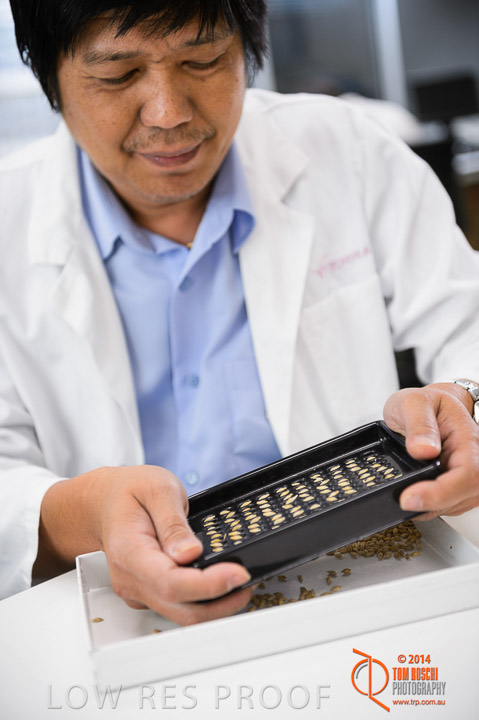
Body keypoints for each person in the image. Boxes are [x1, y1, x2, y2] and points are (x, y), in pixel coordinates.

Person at [1, 0, 478, 624]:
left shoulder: (350, 152)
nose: (169, 113)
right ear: (50, 78)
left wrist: (463, 400)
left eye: (203, 61)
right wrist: (84, 512)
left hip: (373, 584)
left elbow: (467, 324)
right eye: (117, 75)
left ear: (247, 49)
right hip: (120, 622)